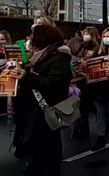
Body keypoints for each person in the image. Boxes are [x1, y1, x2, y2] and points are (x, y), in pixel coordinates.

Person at [15, 24, 72, 176]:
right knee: (38, 151)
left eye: (32, 36)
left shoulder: (59, 59)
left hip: (48, 111)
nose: (29, 39)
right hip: (35, 111)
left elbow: (50, 83)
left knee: (49, 153)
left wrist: (27, 76)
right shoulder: (39, 57)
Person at [70, 26, 101, 140]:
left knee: (87, 105)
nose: (85, 35)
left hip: (89, 81)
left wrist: (86, 63)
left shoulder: (96, 47)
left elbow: (95, 61)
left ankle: (89, 128)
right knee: (82, 106)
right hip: (80, 79)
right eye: (84, 33)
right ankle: (83, 129)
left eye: (87, 33)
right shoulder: (82, 46)